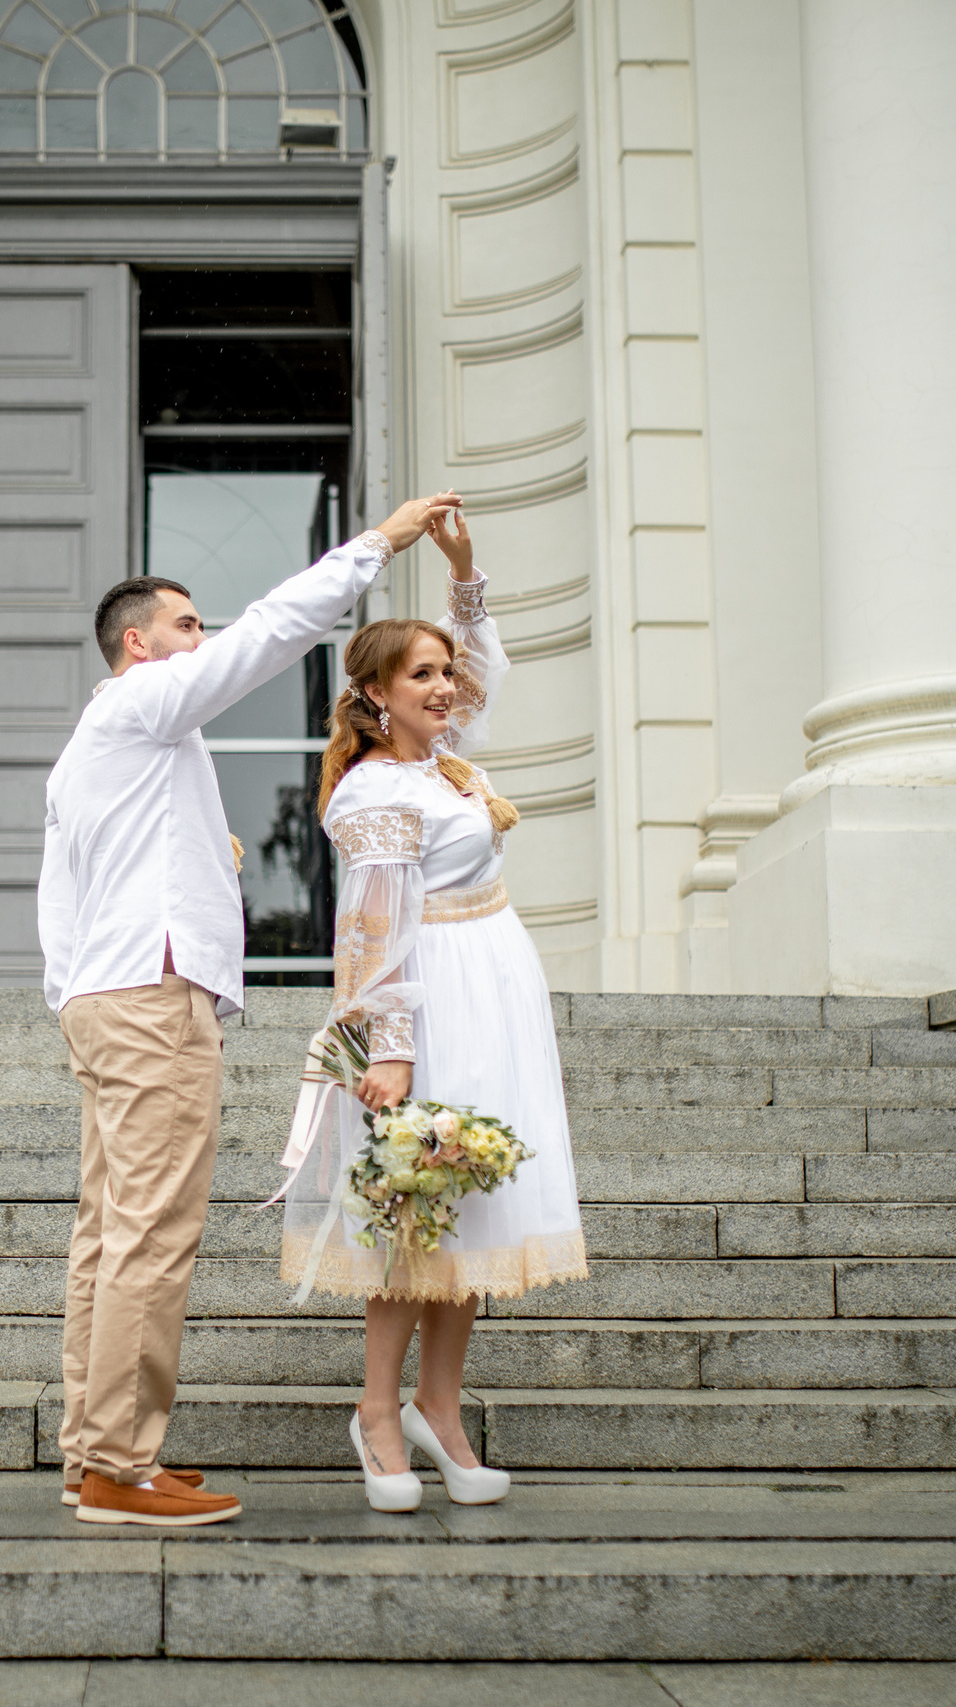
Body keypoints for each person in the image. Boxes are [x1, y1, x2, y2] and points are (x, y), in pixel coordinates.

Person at [40, 491, 463, 1528]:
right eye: (187, 624)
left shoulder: (105, 745)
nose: (204, 638)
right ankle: (118, 1467)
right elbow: (274, 631)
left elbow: (63, 892)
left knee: (109, 1233)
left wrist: (75, 992)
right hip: (148, 998)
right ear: (137, 645)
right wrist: (380, 544)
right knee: (149, 1232)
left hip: (105, 991)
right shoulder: (145, 701)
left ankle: (97, 1455)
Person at [276, 501, 589, 1513]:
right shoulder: (375, 794)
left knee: (477, 1201)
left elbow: (484, 675)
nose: (447, 687)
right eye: (422, 675)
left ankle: (439, 1408)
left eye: (445, 671)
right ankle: (377, 1412)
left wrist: (463, 572)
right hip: (432, 995)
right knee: (415, 1205)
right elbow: (372, 936)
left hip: (497, 986)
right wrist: (392, 1047)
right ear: (375, 695)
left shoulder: (446, 762)